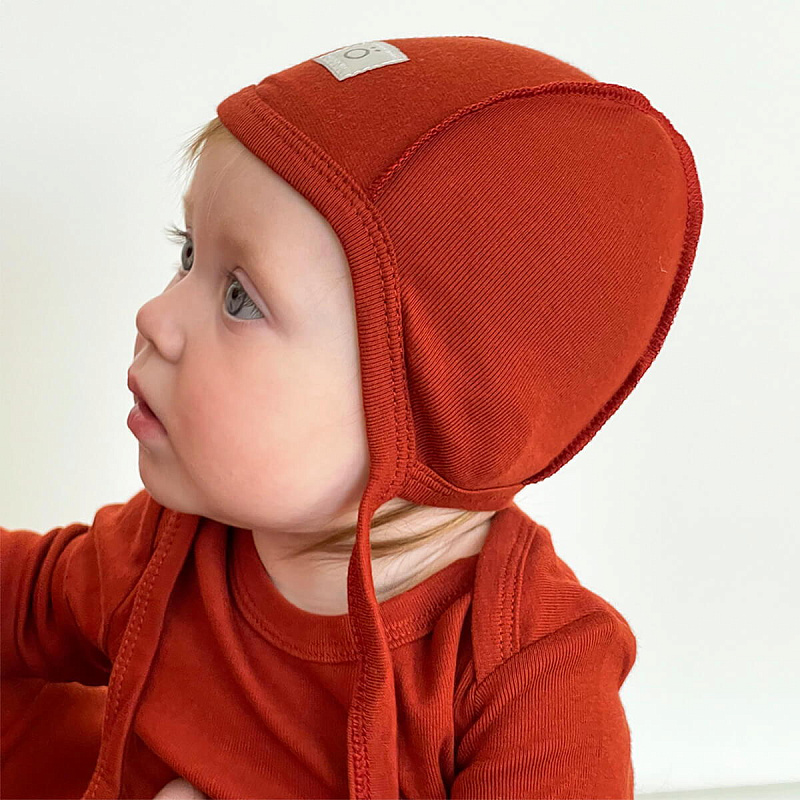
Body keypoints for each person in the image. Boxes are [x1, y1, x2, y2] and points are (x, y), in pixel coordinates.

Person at [0, 35, 703, 800]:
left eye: (239, 298)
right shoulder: (169, 548)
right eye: (187, 254)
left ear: (426, 407)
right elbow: (28, 598)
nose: (155, 317)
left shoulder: (527, 673)